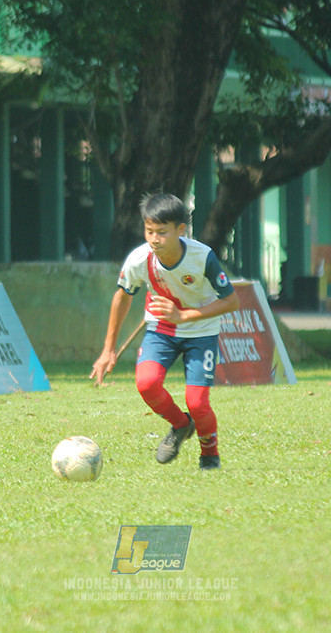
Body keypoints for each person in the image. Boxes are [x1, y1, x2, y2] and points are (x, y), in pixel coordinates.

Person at [90, 193, 240, 470]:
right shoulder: (139, 259)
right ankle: (181, 426)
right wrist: (108, 350)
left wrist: (185, 315)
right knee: (146, 384)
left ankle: (210, 455)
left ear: (180, 230)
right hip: (161, 330)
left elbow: (231, 300)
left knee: (197, 402)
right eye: (149, 231)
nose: (154, 239)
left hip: (201, 332)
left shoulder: (202, 256)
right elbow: (122, 297)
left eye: (162, 232)